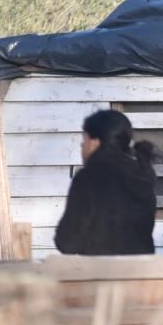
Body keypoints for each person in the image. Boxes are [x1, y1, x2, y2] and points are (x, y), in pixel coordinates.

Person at [55, 109, 157, 255]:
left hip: (99, 274)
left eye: (84, 140)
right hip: (142, 273)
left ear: (95, 142)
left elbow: (66, 242)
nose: (82, 146)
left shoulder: (88, 178)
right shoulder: (143, 174)